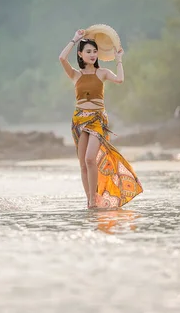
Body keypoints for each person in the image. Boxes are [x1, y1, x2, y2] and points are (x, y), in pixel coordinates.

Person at [59, 28, 143, 209]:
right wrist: (75, 39)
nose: (92, 55)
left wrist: (118, 59)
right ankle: (90, 200)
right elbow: (62, 58)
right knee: (83, 164)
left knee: (90, 159)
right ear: (81, 54)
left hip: (98, 119)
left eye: (95, 51)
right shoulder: (76, 75)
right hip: (79, 120)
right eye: (88, 52)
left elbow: (120, 79)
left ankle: (94, 196)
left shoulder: (102, 73)